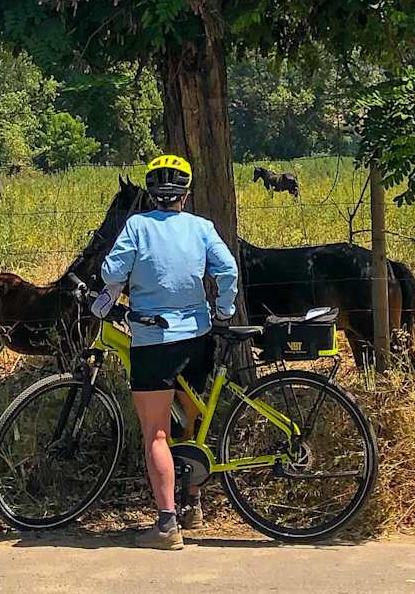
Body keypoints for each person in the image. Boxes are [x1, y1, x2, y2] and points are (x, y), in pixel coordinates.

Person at [100, 153, 239, 550]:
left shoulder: (137, 226)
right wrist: (223, 312)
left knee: (156, 433)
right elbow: (227, 270)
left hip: (152, 341)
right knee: (190, 420)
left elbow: (111, 274)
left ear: (150, 192)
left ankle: (166, 525)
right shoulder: (201, 227)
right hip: (198, 337)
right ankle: (194, 501)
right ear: (187, 193)